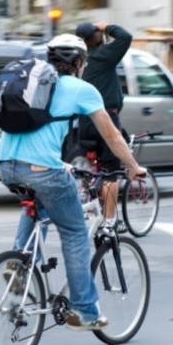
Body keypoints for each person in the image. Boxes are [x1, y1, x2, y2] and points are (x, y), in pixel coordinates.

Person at [0, 34, 146, 331]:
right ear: (80, 62)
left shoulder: (33, 82)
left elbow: (33, 130)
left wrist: (61, 163)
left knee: (40, 203)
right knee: (76, 233)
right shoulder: (83, 88)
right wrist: (132, 166)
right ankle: (85, 312)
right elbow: (112, 135)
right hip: (41, 169)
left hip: (6, 165)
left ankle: (20, 264)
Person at [75, 21, 133, 233]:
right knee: (111, 173)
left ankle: (87, 197)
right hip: (105, 120)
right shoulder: (103, 57)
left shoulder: (79, 61)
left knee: (91, 169)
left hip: (84, 123)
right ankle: (110, 221)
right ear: (97, 38)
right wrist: (107, 25)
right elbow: (125, 37)